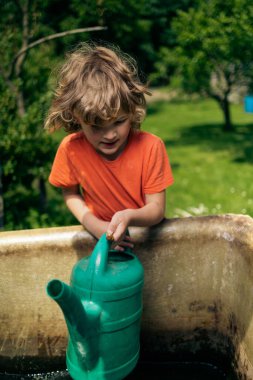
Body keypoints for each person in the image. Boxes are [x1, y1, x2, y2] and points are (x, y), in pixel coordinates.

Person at [45, 42, 174, 249]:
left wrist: (128, 217)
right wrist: (94, 225)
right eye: (96, 126)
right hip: (101, 243)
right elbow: (70, 193)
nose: (111, 134)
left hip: (145, 242)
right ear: (76, 118)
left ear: (132, 109)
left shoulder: (151, 147)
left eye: (119, 121)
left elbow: (156, 210)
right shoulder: (71, 149)